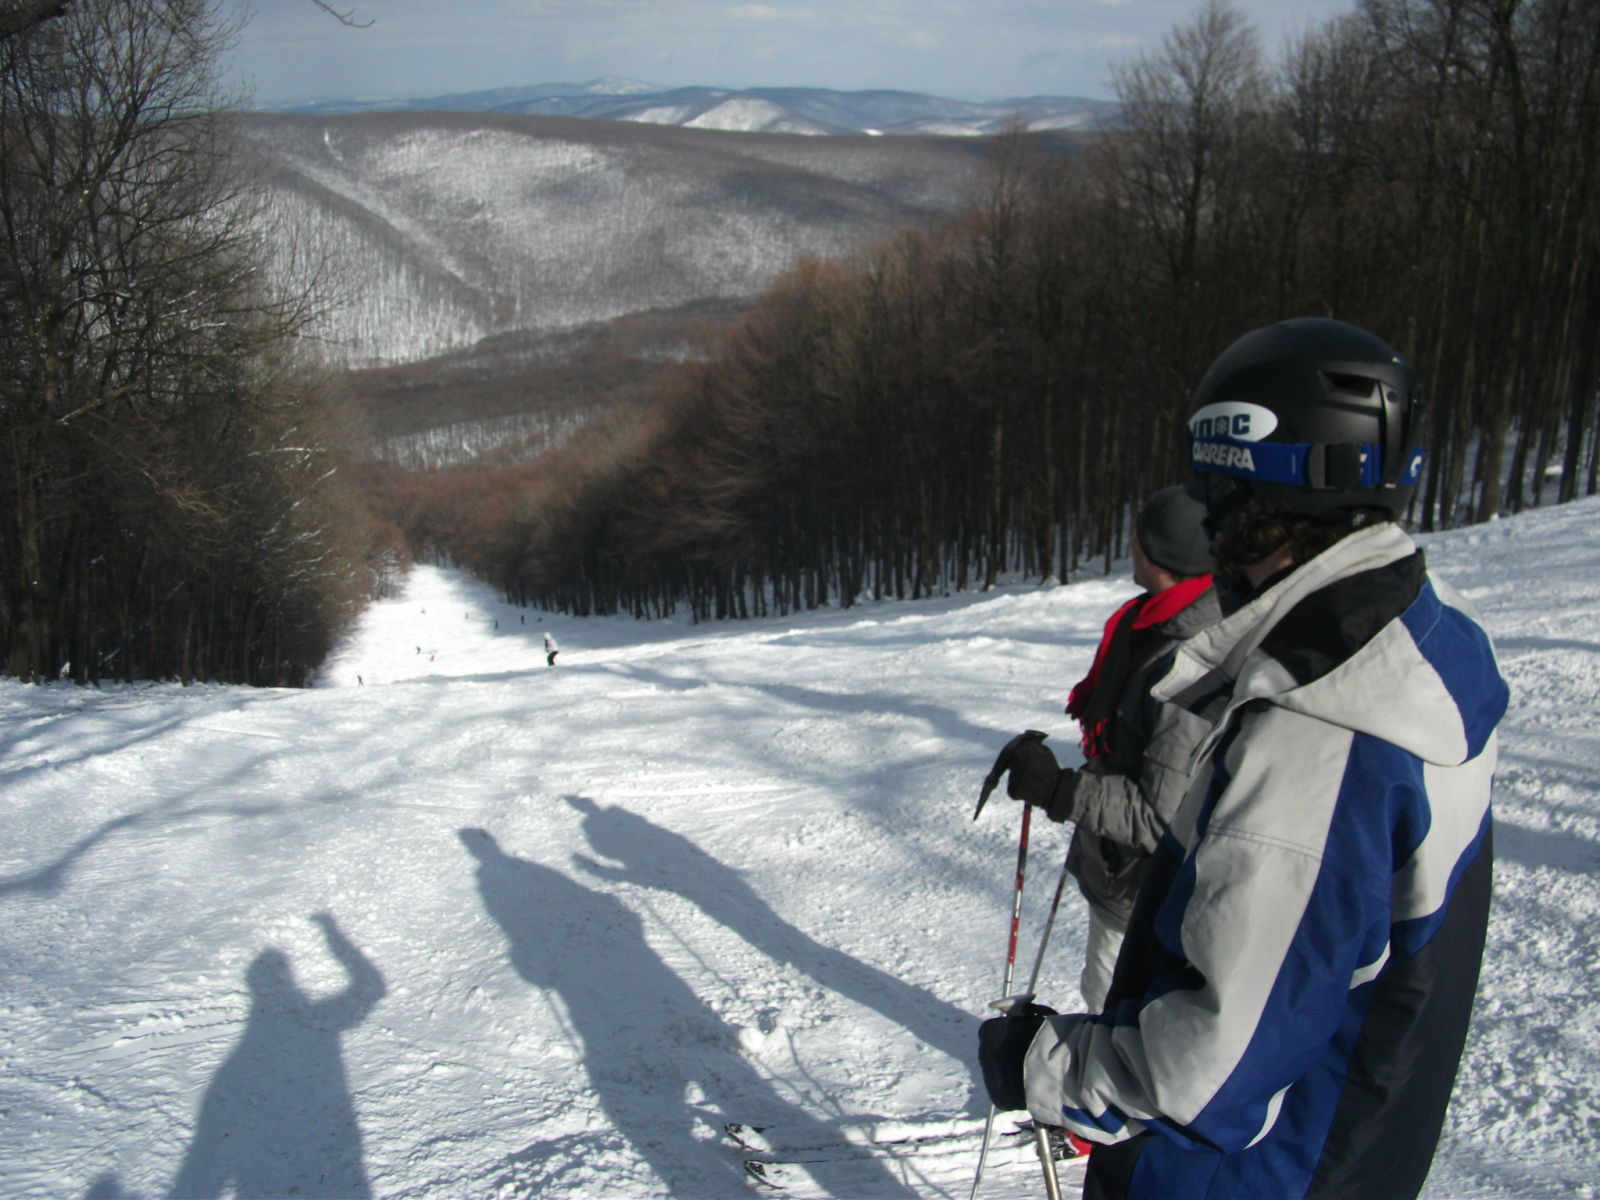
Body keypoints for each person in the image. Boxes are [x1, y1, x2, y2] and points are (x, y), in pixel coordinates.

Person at [979, 318, 1509, 1200]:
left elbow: (1203, 1071)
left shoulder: (1324, 730)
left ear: (1269, 497)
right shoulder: (1407, 643)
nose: (1210, 525)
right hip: (1343, 1150)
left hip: (1249, 1177)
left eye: (1219, 494)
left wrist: (1045, 1067)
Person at [1011, 485, 1221, 1013]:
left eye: (1138, 537)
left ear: (1162, 553)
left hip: (1147, 888)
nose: (1128, 544)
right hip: (1114, 862)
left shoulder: (1190, 660)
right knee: (1105, 991)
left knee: (1116, 1006)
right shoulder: (1147, 620)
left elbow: (1160, 814)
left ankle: (1110, 1096)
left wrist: (1061, 790)